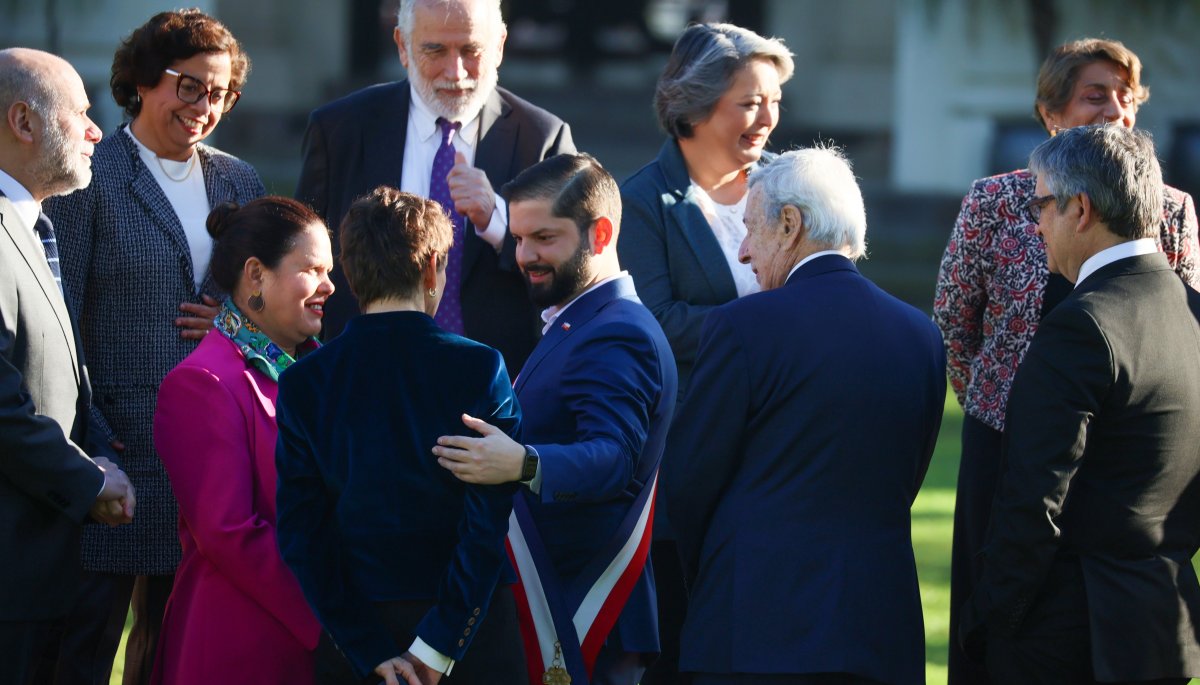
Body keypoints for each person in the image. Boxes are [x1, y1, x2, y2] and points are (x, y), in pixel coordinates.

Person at [931, 37, 1200, 685]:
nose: (1114, 109)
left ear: (1077, 211)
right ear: (1052, 112)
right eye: (1094, 94)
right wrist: (996, 402)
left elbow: (1174, 329)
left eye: (1125, 97)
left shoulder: (1166, 209)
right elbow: (954, 320)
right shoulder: (999, 199)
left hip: (1121, 440)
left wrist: (998, 615)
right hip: (1010, 432)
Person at [662, 148, 946, 685]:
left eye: (750, 228)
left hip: (753, 627)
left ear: (789, 224)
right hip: (878, 631)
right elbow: (906, 480)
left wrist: (721, 570)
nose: (744, 252)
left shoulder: (743, 326)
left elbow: (690, 481)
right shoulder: (922, 335)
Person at [42, 10, 265, 684]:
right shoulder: (90, 176)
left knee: (178, 652)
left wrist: (238, 329)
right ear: (143, 81)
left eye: (220, 94)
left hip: (218, 452)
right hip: (121, 449)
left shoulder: (241, 181)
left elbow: (274, 311)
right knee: (89, 646)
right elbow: (61, 319)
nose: (204, 107)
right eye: (189, 86)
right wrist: (95, 441)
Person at [434, 153, 678, 685]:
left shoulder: (618, 332)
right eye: (519, 239)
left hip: (586, 612)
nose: (525, 257)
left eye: (544, 238)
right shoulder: (581, 320)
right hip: (556, 602)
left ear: (601, 232)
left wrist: (521, 463)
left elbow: (613, 458)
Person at [276, 186, 527, 685]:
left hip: (360, 630)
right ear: (433, 266)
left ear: (348, 272)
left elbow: (303, 535)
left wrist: (364, 647)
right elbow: (486, 525)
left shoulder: (305, 382)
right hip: (469, 630)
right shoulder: (479, 368)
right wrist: (440, 644)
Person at [616, 24, 792, 682]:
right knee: (689, 639)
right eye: (749, 102)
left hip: (787, 445)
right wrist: (771, 323)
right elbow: (654, 321)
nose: (767, 117)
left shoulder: (791, 185)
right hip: (694, 454)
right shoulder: (640, 201)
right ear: (695, 103)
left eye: (773, 99)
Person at [295, 0, 576, 376]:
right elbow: (301, 259)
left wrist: (498, 221)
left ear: (500, 46)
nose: (455, 71)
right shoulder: (341, 129)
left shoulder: (542, 139)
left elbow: (573, 270)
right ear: (402, 46)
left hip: (493, 391)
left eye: (471, 50)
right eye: (435, 50)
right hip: (362, 379)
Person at [150, 197, 328, 685]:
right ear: (256, 275)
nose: (329, 287)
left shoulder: (320, 372)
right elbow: (229, 533)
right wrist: (333, 608)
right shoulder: (203, 382)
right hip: (242, 644)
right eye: (312, 269)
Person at [0, 47, 135, 685]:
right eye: (79, 113)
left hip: (41, 575)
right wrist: (86, 481)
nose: (95, 131)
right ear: (23, 122)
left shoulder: (29, 225)